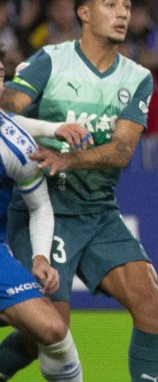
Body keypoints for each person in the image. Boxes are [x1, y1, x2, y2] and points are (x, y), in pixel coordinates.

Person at [0, 0, 158, 381]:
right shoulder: (51, 61)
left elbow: (123, 150)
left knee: (151, 303)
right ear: (84, 13)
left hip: (98, 211)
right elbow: (9, 105)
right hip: (46, 206)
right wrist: (35, 115)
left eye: (126, 5)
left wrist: (71, 159)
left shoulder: (137, 78)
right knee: (46, 331)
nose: (122, 13)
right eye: (111, 4)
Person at [0, 47, 88, 381]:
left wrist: (40, 258)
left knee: (53, 330)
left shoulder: (13, 145)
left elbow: (39, 207)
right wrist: (52, 128)